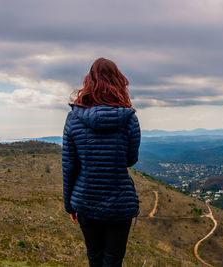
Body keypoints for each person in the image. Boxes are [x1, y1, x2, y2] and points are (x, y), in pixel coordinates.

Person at [62, 57, 140, 267]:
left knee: (94, 258)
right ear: (118, 82)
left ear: (89, 82)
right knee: (113, 261)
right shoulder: (129, 118)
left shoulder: (73, 118)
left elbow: (69, 166)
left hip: (86, 202)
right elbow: (131, 160)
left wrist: (69, 206)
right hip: (120, 204)